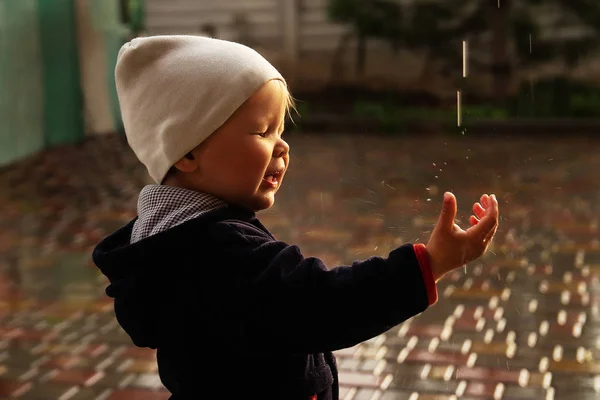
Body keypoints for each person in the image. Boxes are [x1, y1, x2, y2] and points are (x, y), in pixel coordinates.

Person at [92, 35, 499, 400]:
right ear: (188, 152)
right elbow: (321, 304)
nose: (282, 146)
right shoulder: (220, 253)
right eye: (262, 131)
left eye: (281, 130)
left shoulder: (166, 238)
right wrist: (429, 264)